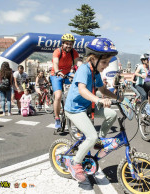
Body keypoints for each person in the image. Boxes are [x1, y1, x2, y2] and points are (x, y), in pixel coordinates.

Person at [64, 38, 121, 182]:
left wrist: (119, 98)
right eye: (104, 62)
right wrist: (98, 100)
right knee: (91, 136)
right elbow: (82, 90)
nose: (106, 66)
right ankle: (75, 162)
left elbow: (103, 90)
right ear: (93, 58)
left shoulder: (95, 73)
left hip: (87, 106)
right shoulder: (84, 69)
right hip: (75, 109)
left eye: (108, 63)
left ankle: (99, 141)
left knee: (112, 114)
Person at [50, 33, 79, 134]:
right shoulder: (57, 51)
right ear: (62, 44)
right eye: (67, 44)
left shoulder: (74, 52)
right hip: (56, 75)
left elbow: (77, 64)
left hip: (67, 74)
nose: (69, 46)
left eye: (71, 44)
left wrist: (80, 72)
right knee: (58, 96)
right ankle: (57, 119)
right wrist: (58, 71)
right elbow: (55, 63)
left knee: (78, 89)